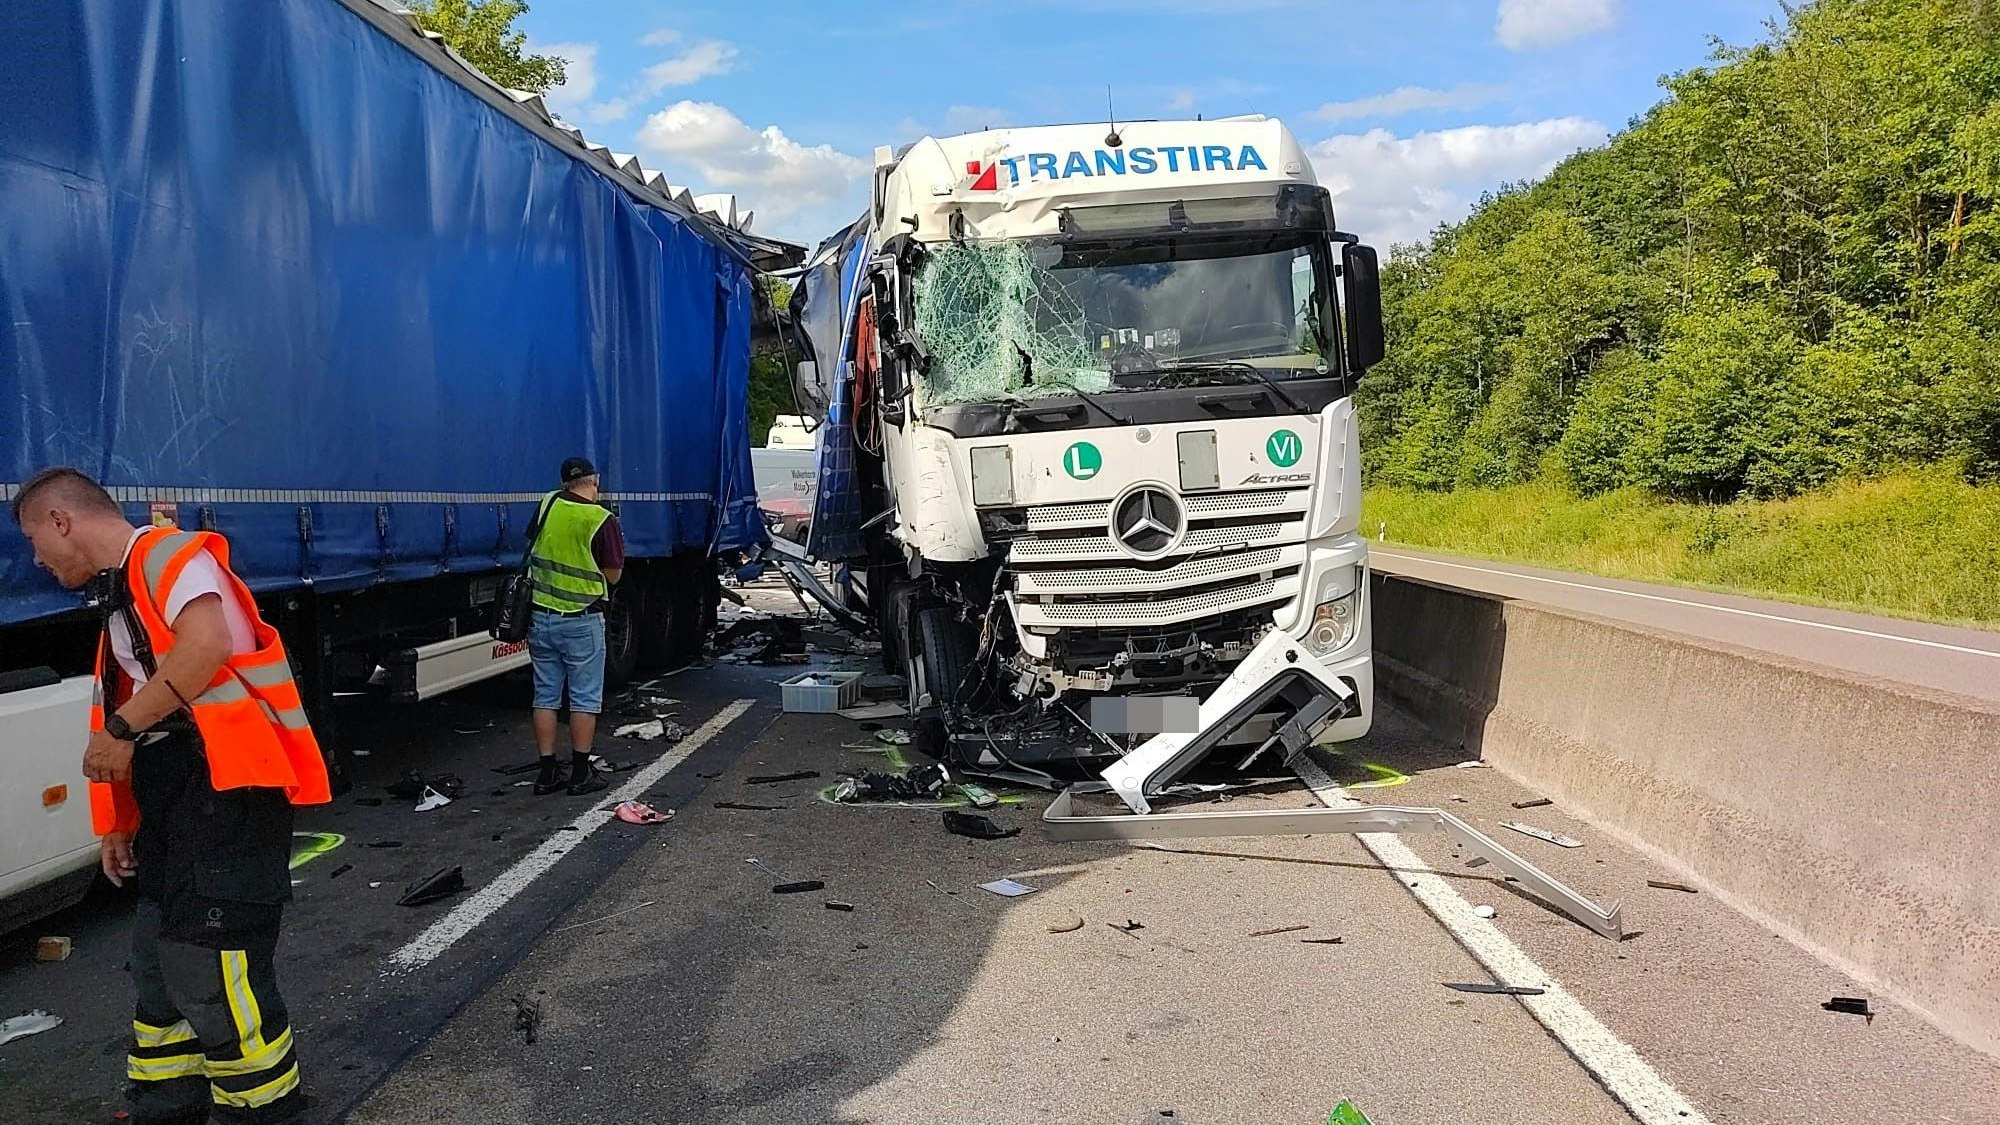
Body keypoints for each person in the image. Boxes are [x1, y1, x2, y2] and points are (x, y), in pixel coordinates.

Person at [11, 467, 329, 1125]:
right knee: (159, 956)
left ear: (62, 520)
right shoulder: (125, 596)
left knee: (210, 965)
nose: (36, 560)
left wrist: (122, 731)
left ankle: (263, 1108)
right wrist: (120, 822)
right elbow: (149, 716)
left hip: (231, 788)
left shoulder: (166, 555)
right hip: (184, 792)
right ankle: (168, 1098)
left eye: (35, 540)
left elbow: (204, 649)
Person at [527, 456, 625, 796]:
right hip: (582, 620)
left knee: (545, 696)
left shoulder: (547, 504)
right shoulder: (600, 518)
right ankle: (581, 773)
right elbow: (613, 573)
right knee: (583, 699)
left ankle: (547, 772)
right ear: (594, 480)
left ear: (565, 482)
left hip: (540, 617)